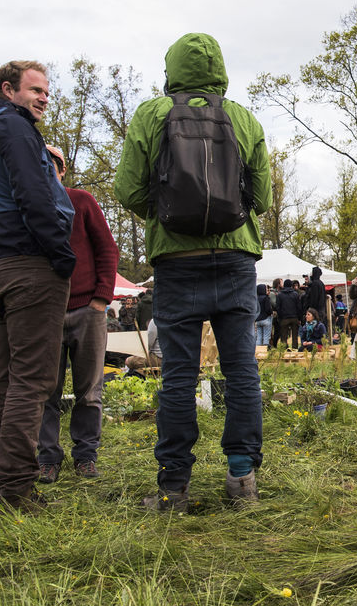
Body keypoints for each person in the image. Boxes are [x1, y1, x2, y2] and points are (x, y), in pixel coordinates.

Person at [113, 32, 273, 512]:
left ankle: (174, 489)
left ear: (173, 70)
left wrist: (167, 213)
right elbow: (262, 199)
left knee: (178, 376)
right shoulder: (243, 118)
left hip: (176, 262)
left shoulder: (151, 114)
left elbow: (128, 190)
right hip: (235, 259)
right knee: (241, 371)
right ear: (219, 69)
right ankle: (242, 479)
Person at [0, 61, 77, 510]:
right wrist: (61, 254)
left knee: (6, 377)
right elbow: (34, 193)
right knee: (32, 379)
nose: (44, 98)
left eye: (47, 91)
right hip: (30, 264)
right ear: (8, 90)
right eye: (35, 90)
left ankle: (1, 480)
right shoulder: (13, 127)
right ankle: (15, 488)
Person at [37, 146, 119, 484]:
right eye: (37, 164)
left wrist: (101, 298)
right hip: (45, 313)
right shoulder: (27, 206)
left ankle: (85, 456)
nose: (45, 170)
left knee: (90, 391)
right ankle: (47, 458)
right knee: (45, 391)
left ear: (62, 169)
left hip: (87, 309)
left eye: (51, 164)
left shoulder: (81, 201)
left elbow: (107, 248)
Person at [277, 280, 304, 349]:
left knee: (284, 335)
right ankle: (294, 348)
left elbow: (278, 308)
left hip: (284, 318)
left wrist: (279, 318)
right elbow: (299, 307)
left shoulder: (280, 294)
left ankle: (283, 349)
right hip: (294, 317)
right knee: (295, 335)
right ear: (291, 285)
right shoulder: (295, 294)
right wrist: (300, 318)